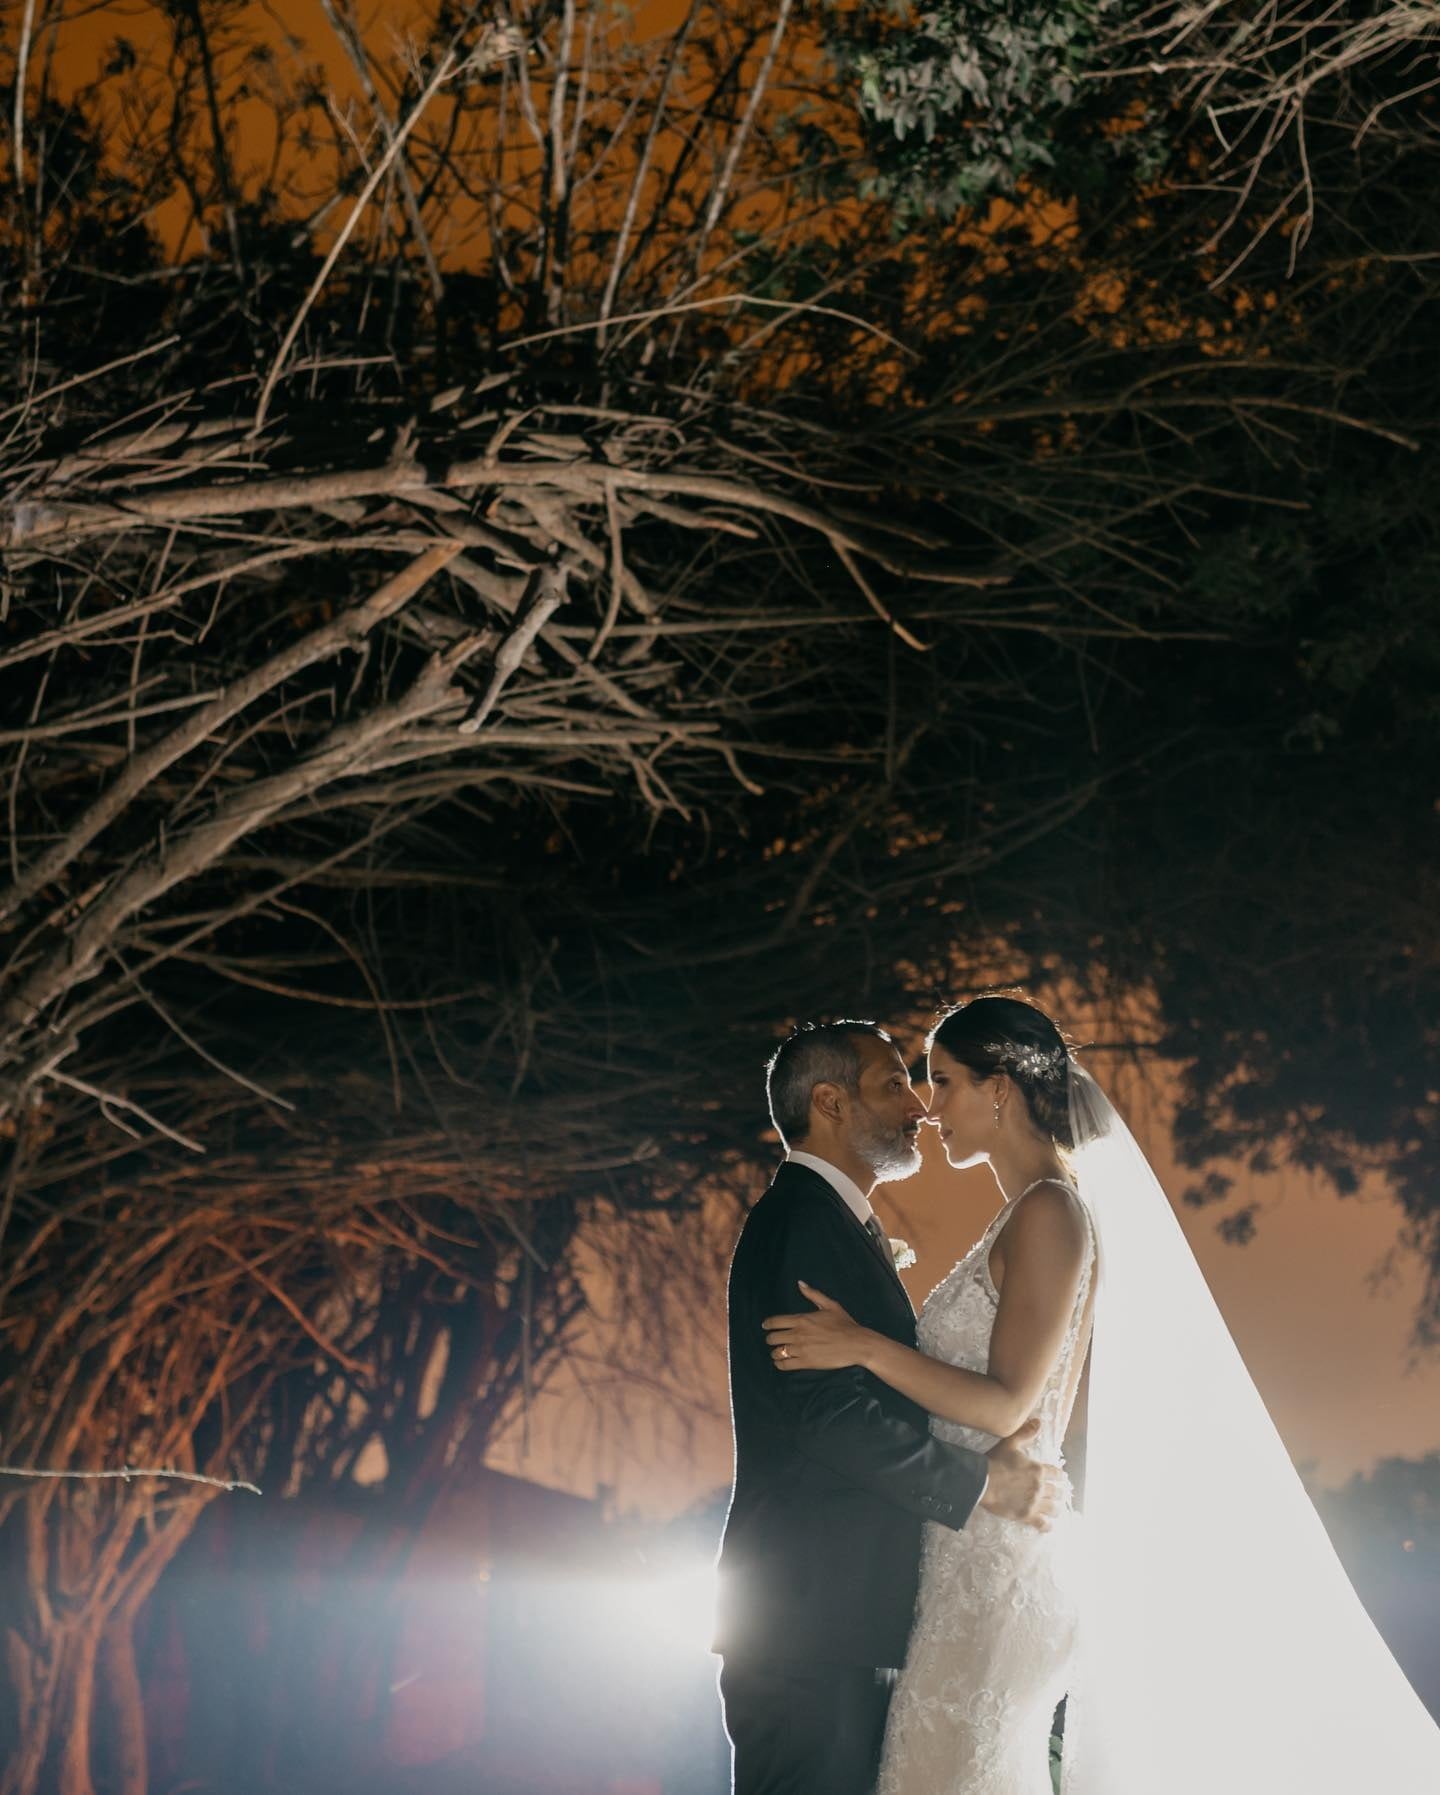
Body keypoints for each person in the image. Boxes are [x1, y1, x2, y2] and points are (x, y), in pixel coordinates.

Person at [764, 995, 1440, 1795]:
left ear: (1001, 1088)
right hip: (963, 1558)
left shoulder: (1050, 1211)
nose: (928, 1105)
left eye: (944, 1080)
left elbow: (1007, 1403)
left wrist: (863, 1345)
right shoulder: (1026, 1213)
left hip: (998, 1568)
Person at [713, 1019, 1068, 1795]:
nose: (917, 1106)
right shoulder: (802, 1220)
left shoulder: (835, 1222)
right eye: (895, 1084)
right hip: (811, 1624)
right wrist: (980, 1483)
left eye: (928, 1083)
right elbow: (828, 1416)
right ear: (831, 1103)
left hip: (845, 1617)